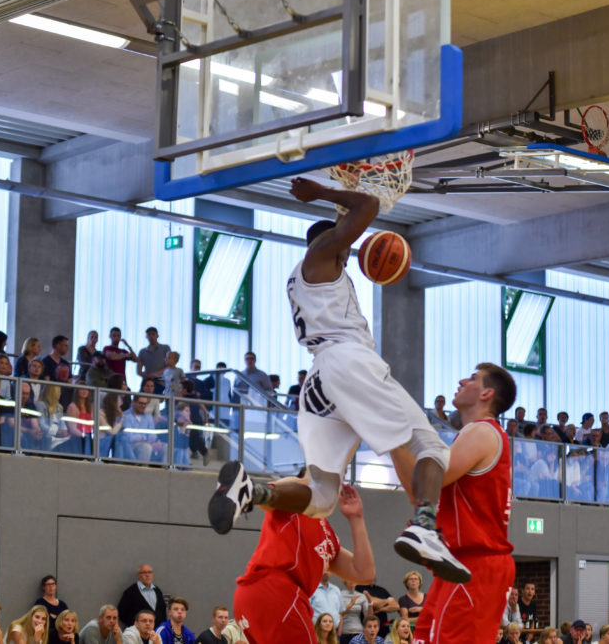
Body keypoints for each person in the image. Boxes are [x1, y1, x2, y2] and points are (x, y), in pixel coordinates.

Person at [211, 178, 467, 583]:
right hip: (348, 363)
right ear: (333, 242)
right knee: (431, 445)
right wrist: (324, 193)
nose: (351, 247)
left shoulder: (314, 276)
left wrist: (340, 203)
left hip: (321, 382)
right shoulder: (321, 255)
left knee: (322, 497)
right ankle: (425, 525)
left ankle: (253, 492)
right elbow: (366, 206)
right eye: (345, 242)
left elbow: (351, 220)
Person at [392, 364, 517, 644]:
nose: (462, 380)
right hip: (455, 562)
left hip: (478, 563)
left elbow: (433, 478)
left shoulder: (484, 432)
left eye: (473, 378)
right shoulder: (470, 435)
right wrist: (391, 438)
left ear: (487, 393)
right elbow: (417, 491)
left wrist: (394, 429)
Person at [231, 477, 374, 644]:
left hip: (254, 598)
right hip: (276, 589)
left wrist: (356, 518)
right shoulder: (297, 497)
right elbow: (268, 498)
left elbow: (364, 573)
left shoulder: (329, 537)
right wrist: (311, 480)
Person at [340, 579, 371, 644]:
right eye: (349, 578)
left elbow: (368, 618)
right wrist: (351, 604)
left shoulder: (361, 596)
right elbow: (339, 614)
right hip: (344, 632)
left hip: (359, 632)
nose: (352, 581)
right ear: (345, 581)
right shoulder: (340, 594)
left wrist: (370, 603)